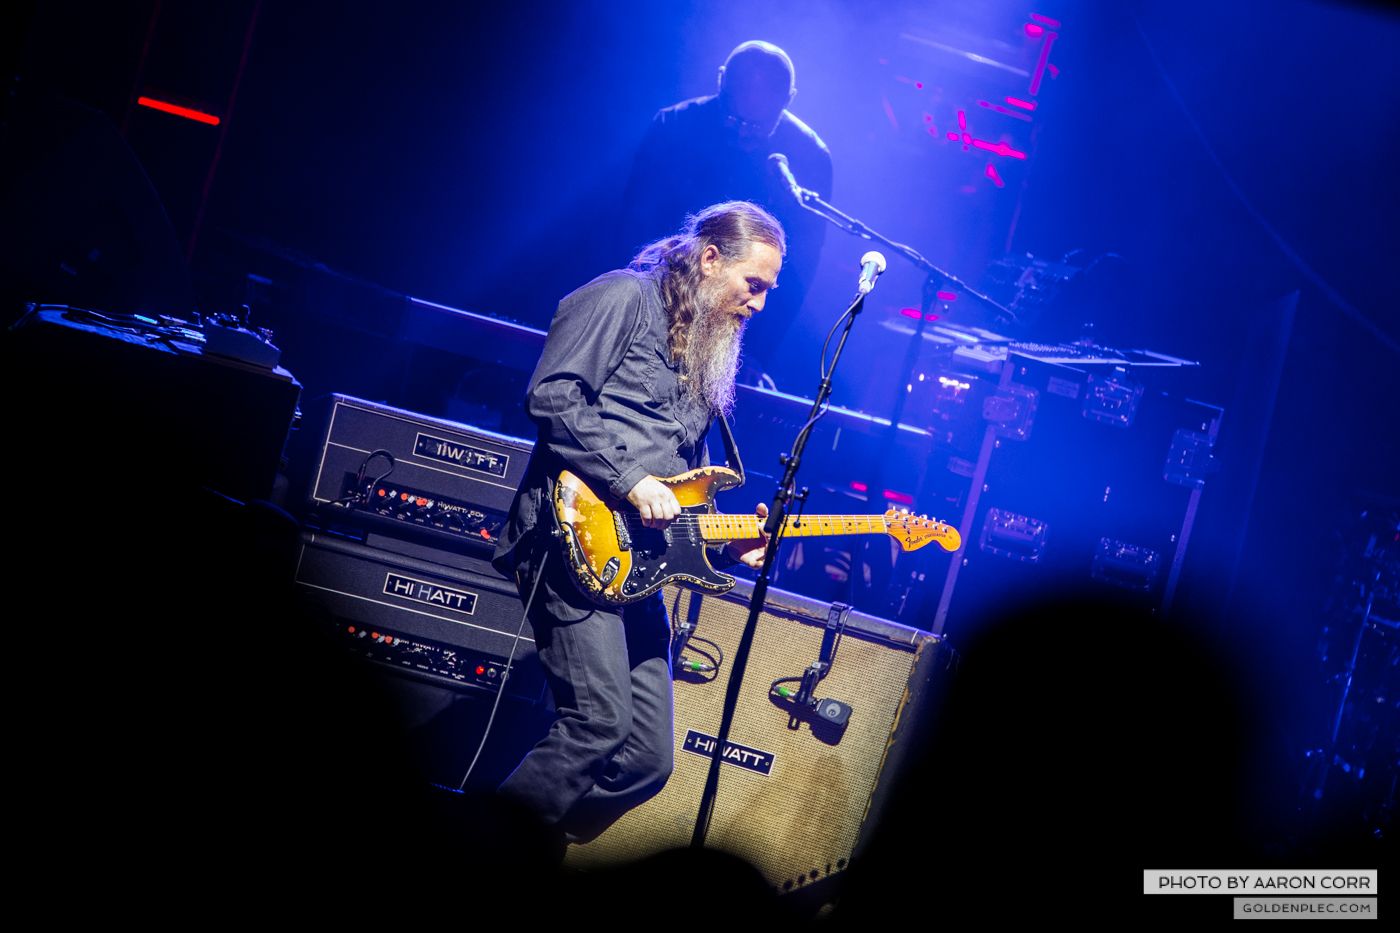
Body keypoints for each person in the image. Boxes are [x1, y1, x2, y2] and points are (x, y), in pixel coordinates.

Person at [492, 200, 784, 845]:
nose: (759, 304)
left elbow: (685, 492)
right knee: (595, 726)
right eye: (752, 284)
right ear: (711, 259)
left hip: (640, 564)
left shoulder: (705, 352)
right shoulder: (622, 296)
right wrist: (630, 480)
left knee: (648, 762)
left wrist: (729, 547)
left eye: (768, 290)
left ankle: (532, 840)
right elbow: (551, 395)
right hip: (571, 539)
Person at [617, 41, 832, 378]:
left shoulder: (810, 157)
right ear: (720, 82)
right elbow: (635, 224)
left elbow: (800, 269)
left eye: (758, 126)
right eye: (734, 118)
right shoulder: (674, 125)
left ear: (788, 99)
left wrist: (757, 353)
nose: (744, 131)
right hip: (660, 296)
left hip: (737, 330)